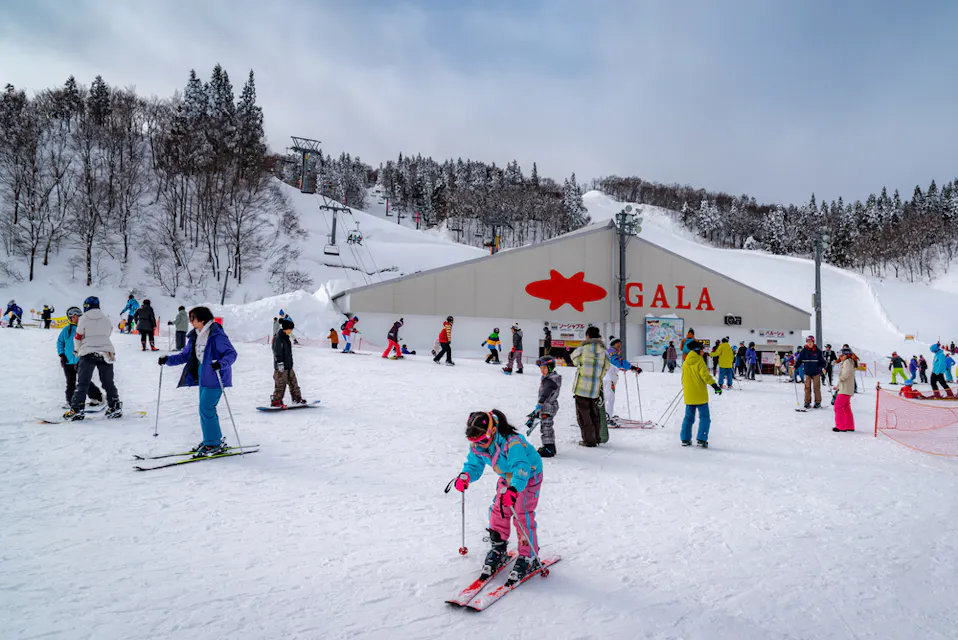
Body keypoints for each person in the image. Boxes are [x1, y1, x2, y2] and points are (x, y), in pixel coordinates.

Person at [453, 409, 544, 584]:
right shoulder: (479, 444)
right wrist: (465, 476)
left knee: (521, 514)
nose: (480, 445)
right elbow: (474, 464)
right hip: (507, 477)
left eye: (483, 441)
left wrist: (514, 489)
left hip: (528, 475)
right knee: (499, 510)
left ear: (493, 431)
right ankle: (498, 547)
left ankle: (528, 556)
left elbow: (521, 468)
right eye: (475, 442)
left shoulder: (512, 443)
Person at [158, 307, 238, 456]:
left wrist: (221, 364)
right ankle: (212, 439)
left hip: (215, 376)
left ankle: (212, 443)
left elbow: (231, 354)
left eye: (193, 318)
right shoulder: (195, 336)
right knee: (205, 409)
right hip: (202, 376)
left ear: (202, 320)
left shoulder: (216, 335)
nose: (191, 321)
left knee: (206, 408)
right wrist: (167, 360)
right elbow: (185, 356)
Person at [63, 296, 122, 420]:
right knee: (108, 382)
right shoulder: (106, 318)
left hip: (88, 352)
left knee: (83, 383)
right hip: (106, 352)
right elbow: (109, 332)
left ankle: (77, 409)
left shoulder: (84, 318)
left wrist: (77, 351)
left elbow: (78, 337)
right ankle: (115, 407)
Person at [57, 306, 104, 409]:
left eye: (78, 316)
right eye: (74, 317)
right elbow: (60, 342)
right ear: (70, 318)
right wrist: (61, 355)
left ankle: (97, 398)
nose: (76, 318)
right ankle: (70, 401)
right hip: (68, 361)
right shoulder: (66, 330)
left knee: (84, 381)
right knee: (70, 383)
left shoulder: (84, 329)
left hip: (81, 360)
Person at [570, 326, 610, 447]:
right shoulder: (604, 352)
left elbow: (574, 360)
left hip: (581, 388)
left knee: (583, 415)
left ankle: (589, 440)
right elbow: (607, 367)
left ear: (587, 336)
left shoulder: (582, 349)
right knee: (594, 414)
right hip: (595, 389)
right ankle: (597, 437)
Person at [680, 340, 722, 447]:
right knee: (704, 417)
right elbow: (705, 376)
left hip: (689, 394)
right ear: (697, 350)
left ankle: (685, 439)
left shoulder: (686, 362)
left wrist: (686, 388)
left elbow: (683, 378)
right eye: (702, 349)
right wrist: (715, 386)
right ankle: (701, 439)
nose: (703, 351)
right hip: (700, 395)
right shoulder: (699, 361)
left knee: (688, 417)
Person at [604, 338, 641, 424]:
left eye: (620, 344)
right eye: (617, 344)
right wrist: (631, 367)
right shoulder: (612, 352)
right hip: (609, 379)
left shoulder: (610, 351)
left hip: (607, 377)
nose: (619, 346)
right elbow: (616, 362)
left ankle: (605, 415)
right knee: (610, 398)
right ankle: (607, 418)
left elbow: (614, 364)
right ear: (613, 344)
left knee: (606, 397)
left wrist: (621, 368)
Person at [270, 318, 306, 408]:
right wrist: (280, 364)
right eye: (291, 329)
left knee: (293, 382)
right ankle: (276, 400)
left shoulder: (286, 338)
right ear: (287, 329)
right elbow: (277, 352)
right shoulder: (278, 338)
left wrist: (290, 363)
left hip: (289, 365)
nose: (291, 331)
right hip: (281, 366)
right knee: (280, 383)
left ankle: (297, 398)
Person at [533, 355, 562, 457]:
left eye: (544, 368)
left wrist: (540, 404)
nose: (542, 371)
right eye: (541, 368)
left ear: (550, 368)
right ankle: (550, 446)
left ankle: (548, 449)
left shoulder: (552, 379)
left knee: (546, 427)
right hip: (547, 405)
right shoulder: (548, 378)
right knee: (547, 425)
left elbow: (547, 392)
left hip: (547, 406)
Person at [797, 335, 826, 408]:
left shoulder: (818, 351)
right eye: (808, 342)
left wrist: (822, 367)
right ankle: (807, 402)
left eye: (811, 342)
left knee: (816, 387)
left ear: (813, 342)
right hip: (807, 372)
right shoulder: (804, 351)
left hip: (816, 372)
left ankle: (818, 402)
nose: (809, 343)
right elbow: (799, 360)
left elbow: (823, 362)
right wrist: (795, 366)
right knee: (807, 387)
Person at [832, 347, 857, 432]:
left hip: (845, 389)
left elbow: (846, 374)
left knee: (838, 406)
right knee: (846, 407)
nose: (840, 358)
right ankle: (849, 426)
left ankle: (841, 426)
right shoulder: (849, 362)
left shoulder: (847, 362)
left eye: (842, 356)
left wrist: (841, 379)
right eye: (839, 356)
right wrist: (838, 386)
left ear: (847, 355)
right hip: (846, 388)